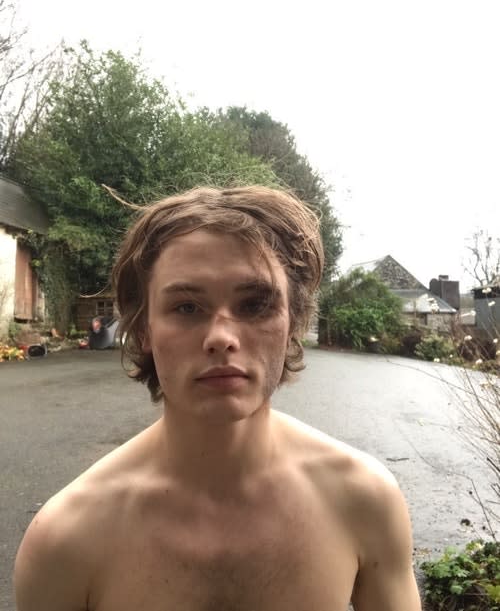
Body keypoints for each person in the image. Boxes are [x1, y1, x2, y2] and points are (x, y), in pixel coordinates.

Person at [14, 185, 422, 610]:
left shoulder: (364, 501)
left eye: (255, 304)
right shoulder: (67, 539)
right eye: (187, 307)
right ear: (144, 330)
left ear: (293, 323)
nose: (222, 337)